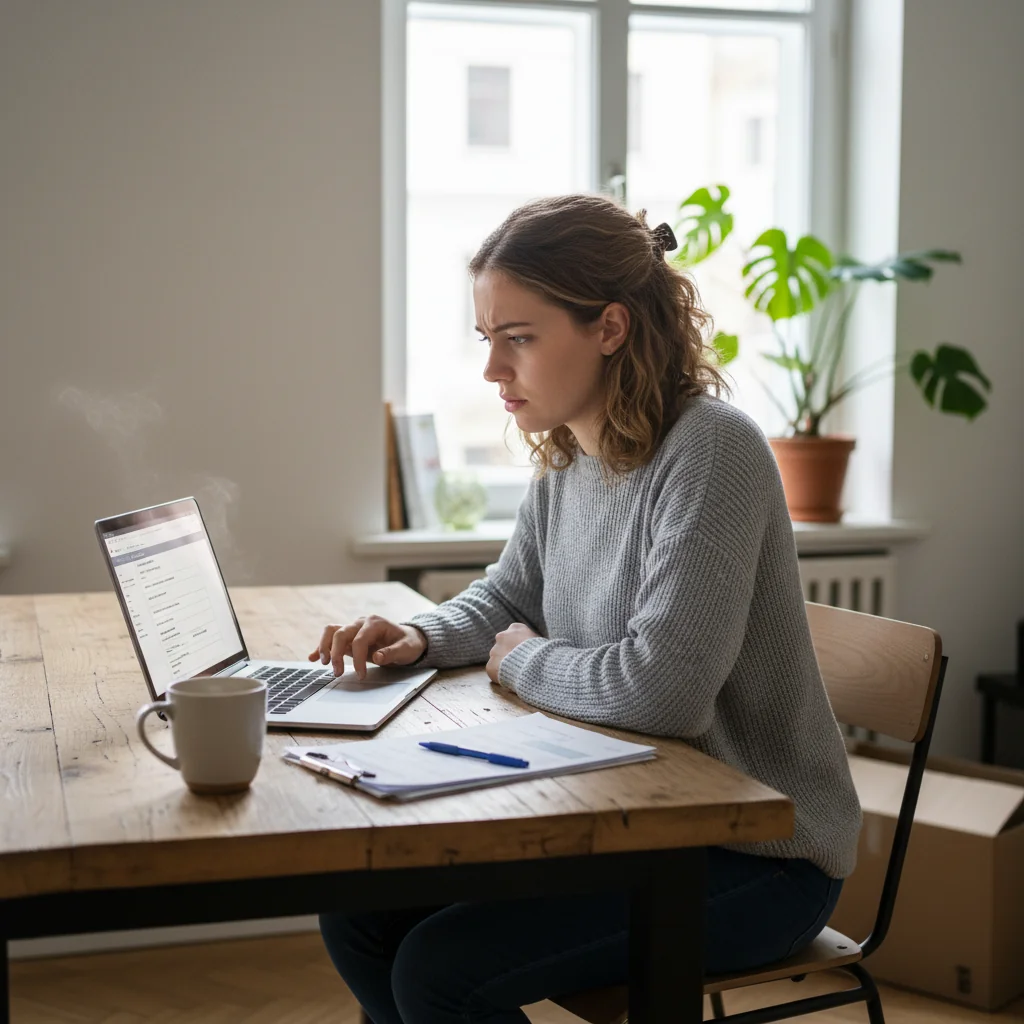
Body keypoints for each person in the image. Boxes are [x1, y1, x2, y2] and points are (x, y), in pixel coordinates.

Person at [311, 193, 862, 1024]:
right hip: (636, 827)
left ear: (609, 328)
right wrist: (420, 635)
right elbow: (506, 597)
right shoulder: (571, 454)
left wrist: (520, 660)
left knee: (440, 971)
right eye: (486, 340)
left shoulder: (713, 450)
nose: (493, 370)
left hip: (759, 855)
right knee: (358, 913)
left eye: (518, 339)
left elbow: (663, 691)